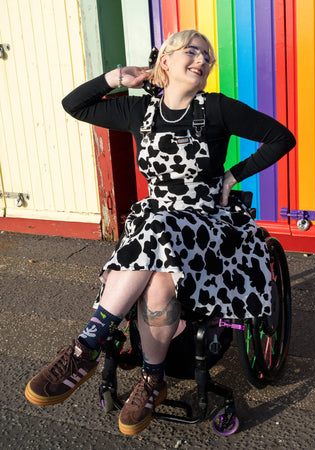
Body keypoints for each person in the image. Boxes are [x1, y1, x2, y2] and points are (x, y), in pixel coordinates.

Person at [25, 29, 296, 435]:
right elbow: (74, 105)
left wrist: (232, 175)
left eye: (207, 56)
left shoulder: (218, 109)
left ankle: (87, 346)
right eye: (192, 51)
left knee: (153, 222)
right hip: (159, 229)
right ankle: (154, 380)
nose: (202, 60)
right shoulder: (138, 112)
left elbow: (281, 137)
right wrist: (117, 78)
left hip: (206, 224)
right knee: (157, 286)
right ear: (165, 61)